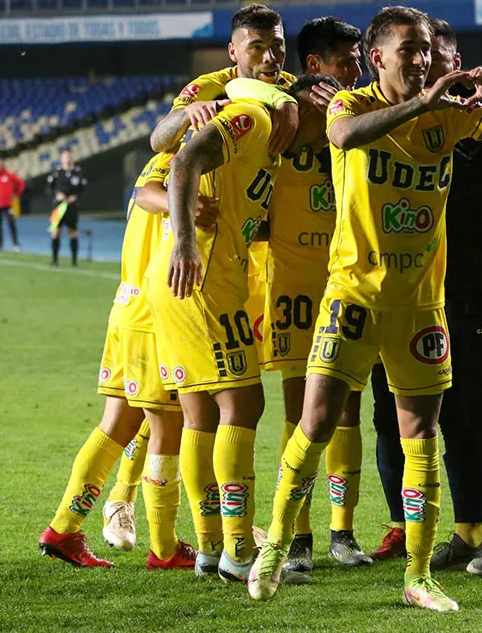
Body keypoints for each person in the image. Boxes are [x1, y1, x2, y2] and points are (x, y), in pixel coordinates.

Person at [248, 5, 482, 612]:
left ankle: (417, 577)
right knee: (317, 423)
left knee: (422, 436)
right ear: (377, 59)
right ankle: (277, 544)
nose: (423, 59)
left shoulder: (452, 118)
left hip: (420, 306)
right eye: (408, 49)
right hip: (352, 296)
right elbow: (344, 138)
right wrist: (425, 102)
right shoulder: (349, 105)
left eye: (427, 50)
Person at [367, 20, 482, 579]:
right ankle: (470, 530)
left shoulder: (480, 118)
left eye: (436, 57)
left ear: (458, 61)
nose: (426, 67)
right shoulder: (437, 117)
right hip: (449, 283)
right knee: (455, 414)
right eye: (416, 56)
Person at [146, 71, 333, 583]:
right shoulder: (253, 119)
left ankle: (210, 547)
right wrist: (185, 241)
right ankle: (238, 551)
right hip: (200, 274)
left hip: (194, 278)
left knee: (200, 412)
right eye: (325, 117)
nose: (326, 133)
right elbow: (182, 159)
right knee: (244, 404)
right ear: (302, 109)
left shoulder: (269, 146)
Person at [232, 16, 371, 573]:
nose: (355, 68)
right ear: (314, 64)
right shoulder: (275, 108)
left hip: (347, 276)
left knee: (346, 409)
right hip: (290, 278)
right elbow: (234, 91)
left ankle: (344, 531)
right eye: (345, 59)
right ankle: (302, 537)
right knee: (300, 410)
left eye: (359, 58)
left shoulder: (360, 111)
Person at [38, 152, 217, 569]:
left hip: (128, 306)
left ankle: (63, 529)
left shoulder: (160, 161)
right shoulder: (185, 165)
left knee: (118, 424)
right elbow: (147, 197)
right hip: (154, 315)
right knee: (168, 426)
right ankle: (165, 548)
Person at [149, 3, 298, 158]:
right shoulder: (212, 86)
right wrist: (187, 113)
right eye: (257, 48)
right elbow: (158, 141)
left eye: (277, 45)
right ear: (233, 52)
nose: (271, 58)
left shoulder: (293, 86)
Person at [47, 149, 87, 267]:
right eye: (66, 157)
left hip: (72, 207)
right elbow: (49, 188)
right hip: (58, 207)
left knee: (73, 232)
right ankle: (54, 260)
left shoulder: (78, 173)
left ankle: (74, 261)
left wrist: (75, 197)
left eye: (70, 157)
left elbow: (82, 189)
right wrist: (57, 195)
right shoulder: (56, 173)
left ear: (73, 158)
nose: (68, 159)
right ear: (62, 159)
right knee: (55, 232)